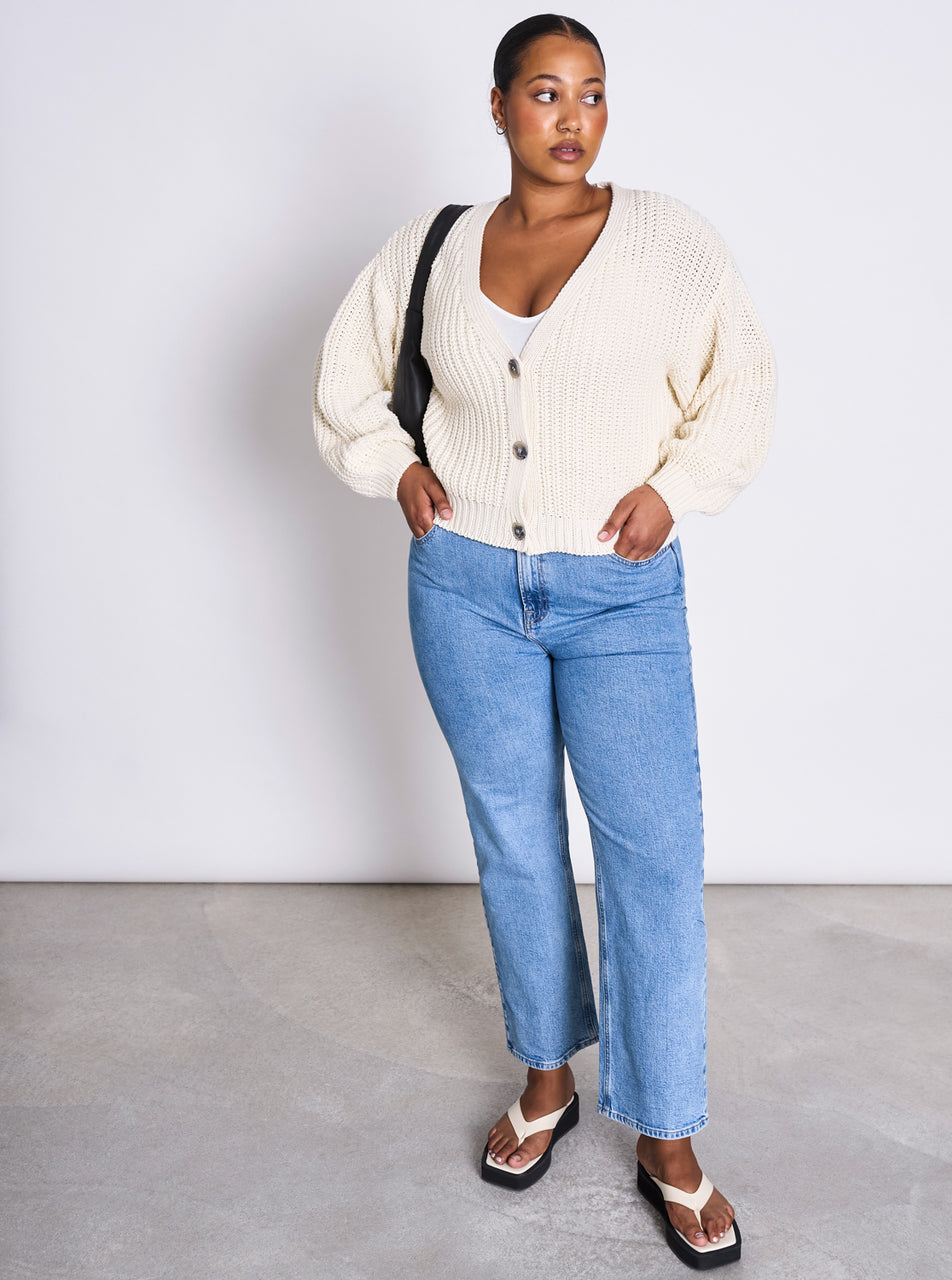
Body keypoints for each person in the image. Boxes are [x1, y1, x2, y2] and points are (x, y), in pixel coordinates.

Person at [312, 13, 776, 1270]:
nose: (570, 118)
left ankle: (668, 1133)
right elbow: (348, 374)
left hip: (617, 591)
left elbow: (741, 388)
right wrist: (395, 467)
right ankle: (545, 1074)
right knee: (513, 834)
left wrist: (675, 493)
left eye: (591, 95)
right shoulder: (436, 244)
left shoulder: (672, 244)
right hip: (462, 588)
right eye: (544, 93)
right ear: (500, 107)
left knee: (652, 855)